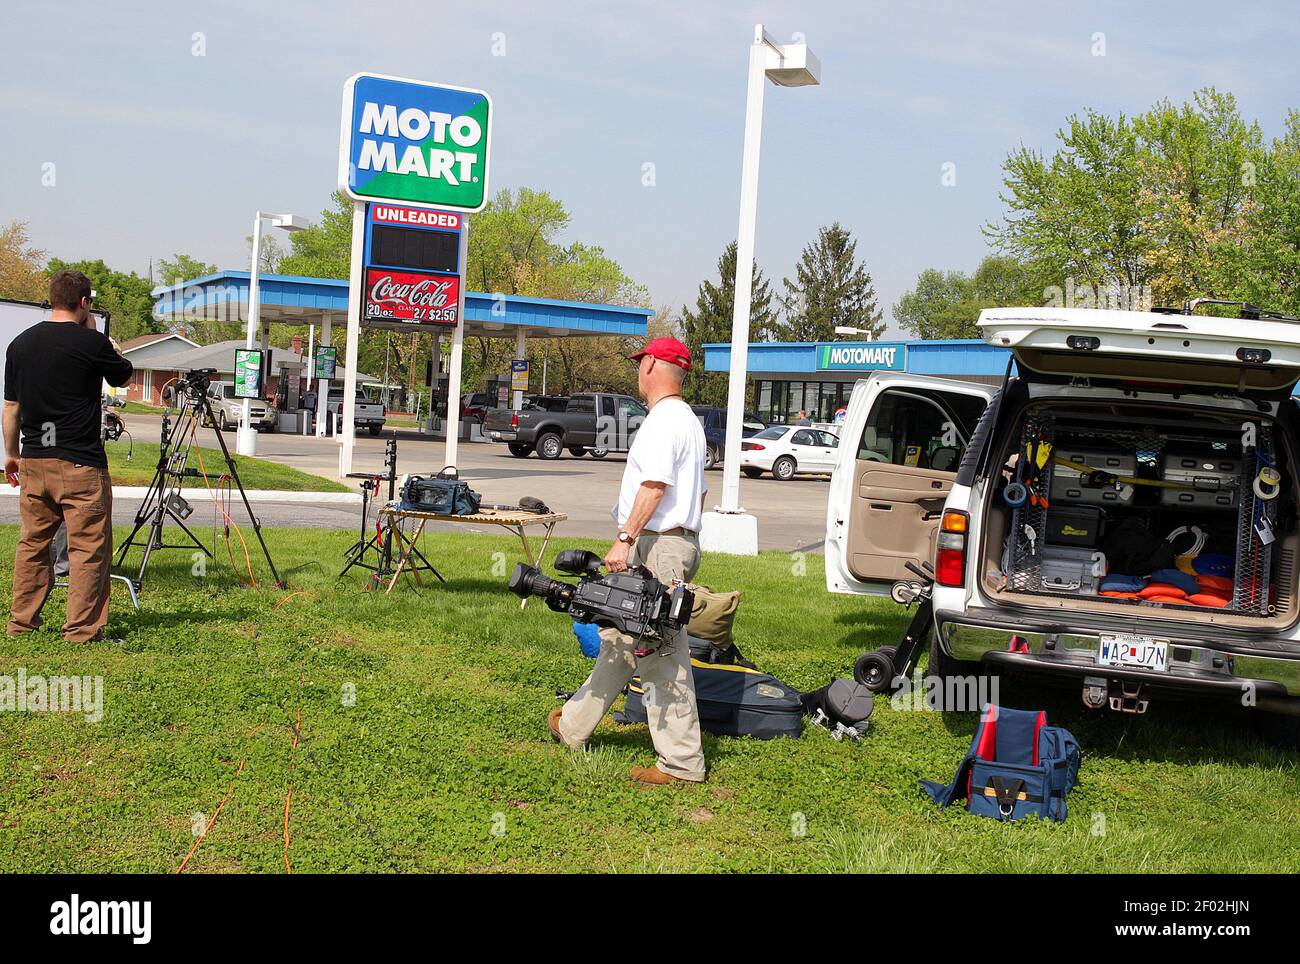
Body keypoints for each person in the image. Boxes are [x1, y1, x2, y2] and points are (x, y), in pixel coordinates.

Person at [548, 336, 708, 785]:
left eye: (642, 363)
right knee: (621, 636)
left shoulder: (662, 422)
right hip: (674, 542)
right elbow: (698, 493)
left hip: (659, 546)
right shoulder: (688, 422)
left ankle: (681, 764)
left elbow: (654, 486)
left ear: (653, 364)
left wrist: (624, 539)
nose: (638, 369)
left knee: (660, 654)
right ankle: (574, 725)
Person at [4, 270, 133, 642]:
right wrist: (95, 333)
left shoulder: (20, 344)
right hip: (80, 461)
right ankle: (81, 630)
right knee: (88, 548)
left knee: (32, 544)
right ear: (83, 302)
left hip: (33, 458)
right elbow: (124, 375)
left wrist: (12, 454)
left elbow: (11, 407)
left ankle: (22, 623)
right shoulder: (90, 343)